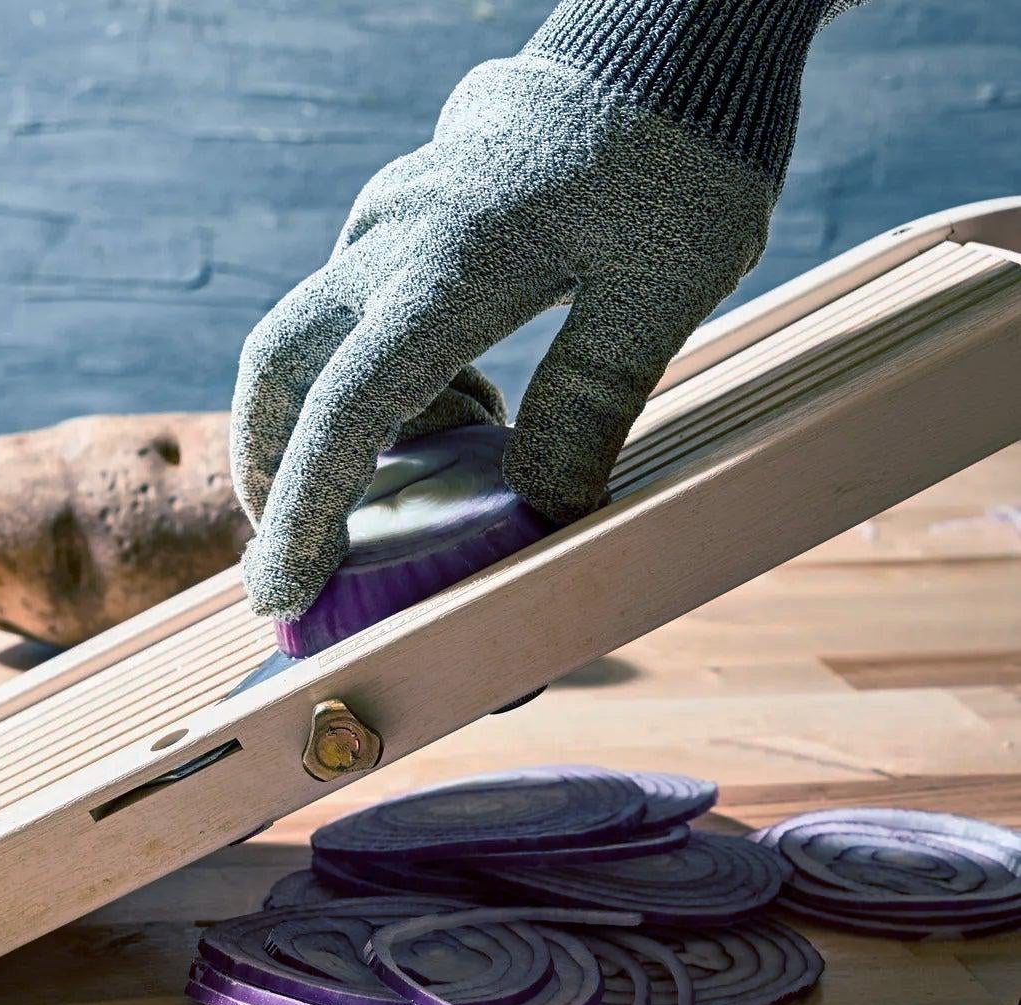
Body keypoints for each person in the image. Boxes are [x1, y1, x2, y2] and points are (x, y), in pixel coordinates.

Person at [230, 0, 866, 621]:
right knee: (521, 465)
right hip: (649, 109)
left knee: (345, 394)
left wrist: (632, 80)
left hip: (637, 107)